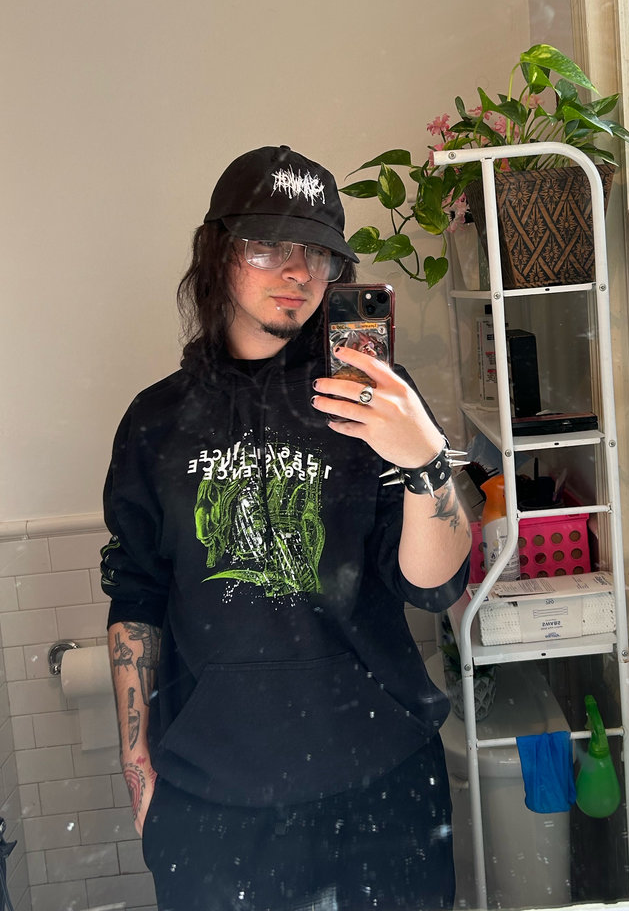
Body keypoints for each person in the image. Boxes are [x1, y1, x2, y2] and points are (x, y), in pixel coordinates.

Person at [99, 144, 471, 911]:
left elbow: (435, 586)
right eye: (269, 245)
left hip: (382, 790)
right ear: (217, 253)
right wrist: (137, 765)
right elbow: (136, 594)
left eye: (319, 252)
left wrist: (425, 461)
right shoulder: (157, 421)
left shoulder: (374, 405)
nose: (298, 271)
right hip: (212, 803)